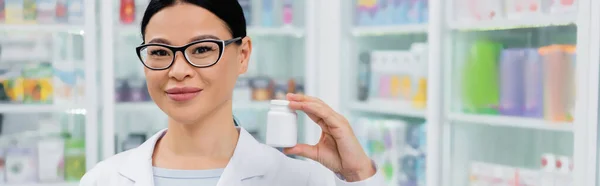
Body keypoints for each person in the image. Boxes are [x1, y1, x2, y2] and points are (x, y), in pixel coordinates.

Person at [80, 0, 384, 185]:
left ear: (243, 55)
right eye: (160, 52)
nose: (178, 70)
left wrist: (358, 174)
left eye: (201, 49)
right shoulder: (104, 179)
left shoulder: (301, 180)